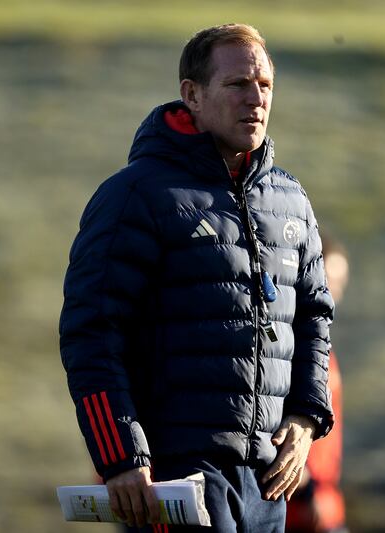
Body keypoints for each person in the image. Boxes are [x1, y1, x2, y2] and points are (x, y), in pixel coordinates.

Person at [59, 24, 334, 532]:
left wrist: (305, 419)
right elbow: (91, 332)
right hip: (172, 474)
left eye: (265, 85)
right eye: (237, 85)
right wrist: (119, 456)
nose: (256, 99)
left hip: (266, 480)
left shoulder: (291, 199)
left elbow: (315, 316)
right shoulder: (134, 196)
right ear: (192, 95)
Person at [286, 234, 348, 533]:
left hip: (324, 504)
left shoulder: (322, 348)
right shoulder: (290, 343)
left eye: (340, 284)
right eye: (328, 279)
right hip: (296, 506)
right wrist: (306, 492)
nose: (333, 291)